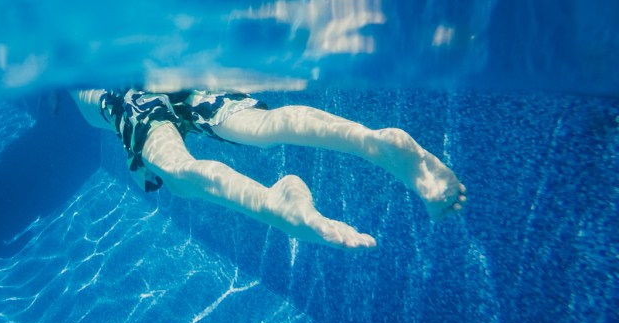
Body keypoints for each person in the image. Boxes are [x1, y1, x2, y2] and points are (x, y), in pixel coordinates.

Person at [71, 88, 465, 249]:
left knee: (177, 171)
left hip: (124, 98)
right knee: (266, 124)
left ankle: (271, 203)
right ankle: (374, 141)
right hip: (176, 78)